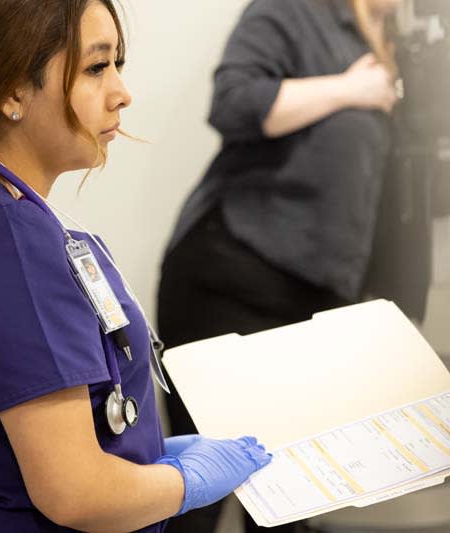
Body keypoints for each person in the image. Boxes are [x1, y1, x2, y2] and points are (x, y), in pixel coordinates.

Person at [0, 1, 270, 531]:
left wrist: (144, 454)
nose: (122, 93)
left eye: (118, 64)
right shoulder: (0, 234)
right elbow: (78, 494)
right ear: (10, 91)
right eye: (96, 68)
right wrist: (187, 484)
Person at [158, 0, 402, 532]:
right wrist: (348, 89)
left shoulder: (394, 36)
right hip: (233, 277)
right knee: (200, 493)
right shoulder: (293, 11)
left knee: (288, 503)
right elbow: (234, 101)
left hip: (310, 302)